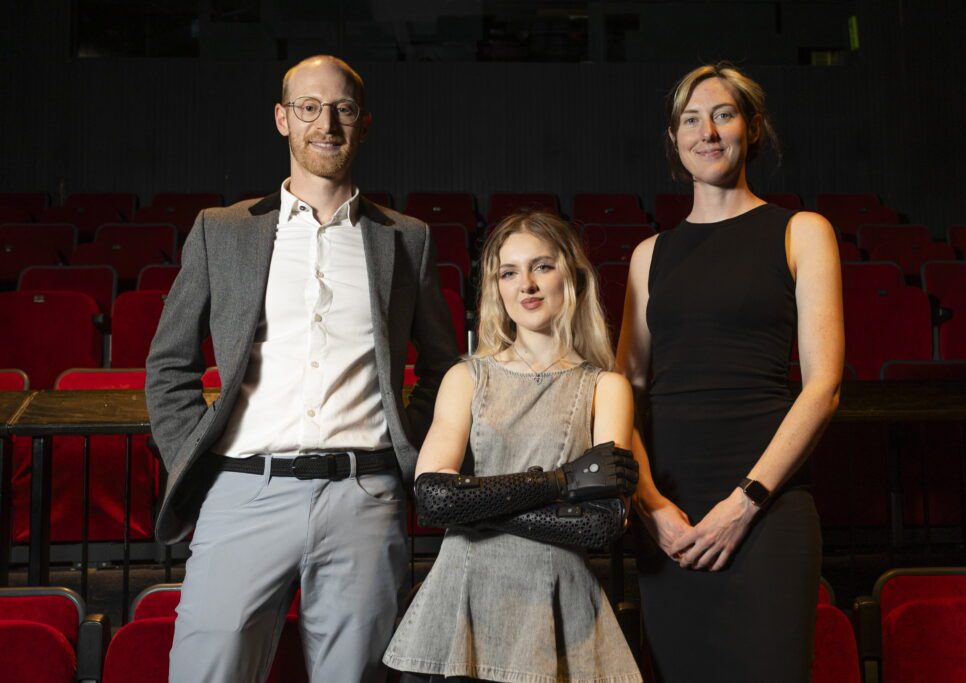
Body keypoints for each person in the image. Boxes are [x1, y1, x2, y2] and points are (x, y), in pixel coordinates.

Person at [145, 55, 458, 683]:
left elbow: (444, 368)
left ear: (364, 123)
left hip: (364, 496)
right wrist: (199, 465)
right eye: (309, 108)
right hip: (243, 490)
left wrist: (402, 448)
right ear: (282, 119)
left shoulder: (407, 238)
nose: (327, 124)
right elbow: (169, 363)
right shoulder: (220, 231)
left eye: (342, 109)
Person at [617, 63, 844, 681]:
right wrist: (651, 508)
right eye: (691, 120)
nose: (708, 132)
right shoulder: (649, 255)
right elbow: (621, 395)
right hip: (671, 519)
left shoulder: (802, 232)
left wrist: (745, 503)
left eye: (723, 115)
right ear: (674, 139)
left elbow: (823, 388)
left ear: (753, 127)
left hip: (767, 509)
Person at [383, 211, 644, 683]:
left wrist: (474, 505)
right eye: (509, 272)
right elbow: (435, 498)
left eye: (542, 266)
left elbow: (601, 523)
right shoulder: (465, 377)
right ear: (496, 288)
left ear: (571, 277)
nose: (527, 284)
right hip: (461, 596)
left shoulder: (606, 387)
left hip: (559, 602)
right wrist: (561, 482)